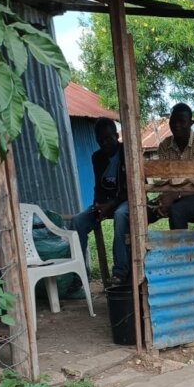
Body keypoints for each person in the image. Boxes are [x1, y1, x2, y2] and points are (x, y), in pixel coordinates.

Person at [67, 118, 132, 284]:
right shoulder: (97, 157)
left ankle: (120, 272)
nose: (104, 143)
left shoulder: (127, 152)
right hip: (107, 205)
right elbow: (98, 186)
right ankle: (78, 277)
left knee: (120, 215)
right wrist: (98, 205)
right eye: (100, 140)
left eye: (108, 138)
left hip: (128, 201)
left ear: (116, 136)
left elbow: (131, 189)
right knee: (78, 222)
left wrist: (109, 205)